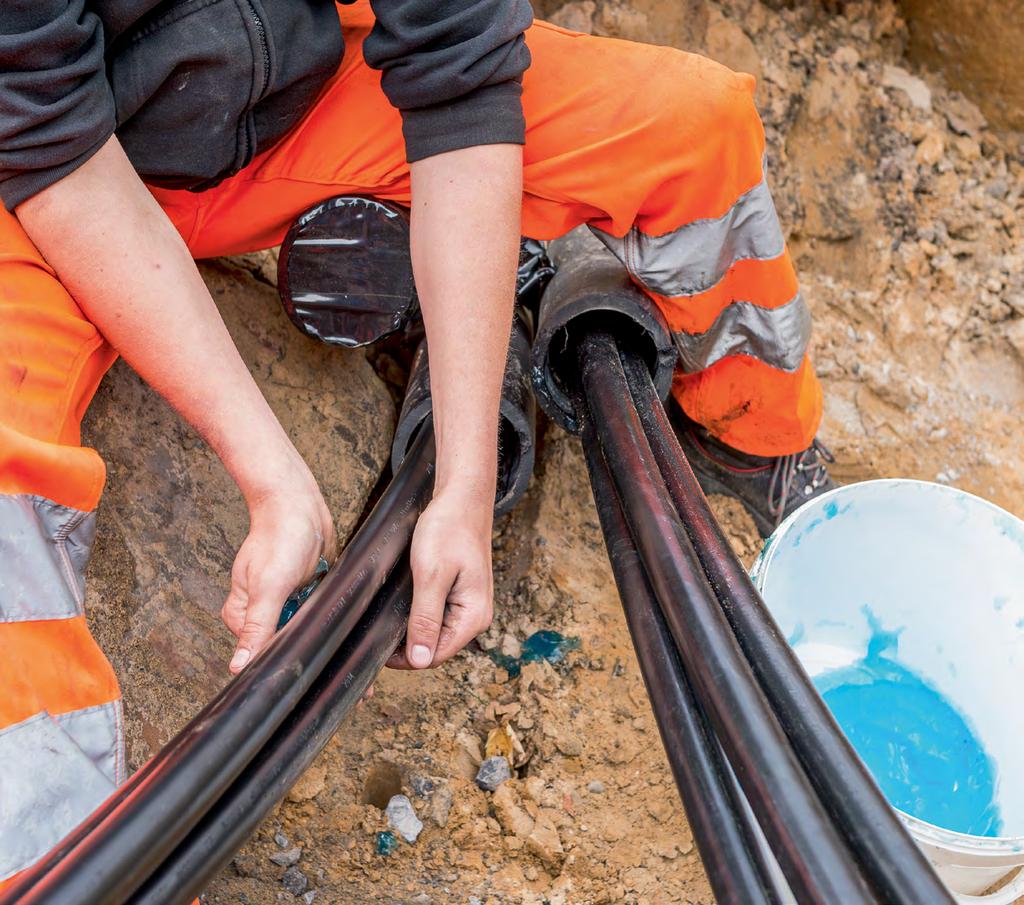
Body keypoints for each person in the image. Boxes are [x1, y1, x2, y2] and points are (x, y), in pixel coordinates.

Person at [0, 0, 834, 885]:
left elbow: (460, 77)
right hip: (41, 182)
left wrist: (467, 478)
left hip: (296, 107)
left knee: (691, 134)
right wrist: (270, 471)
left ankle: (758, 433)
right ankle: (56, 869)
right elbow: (49, 143)